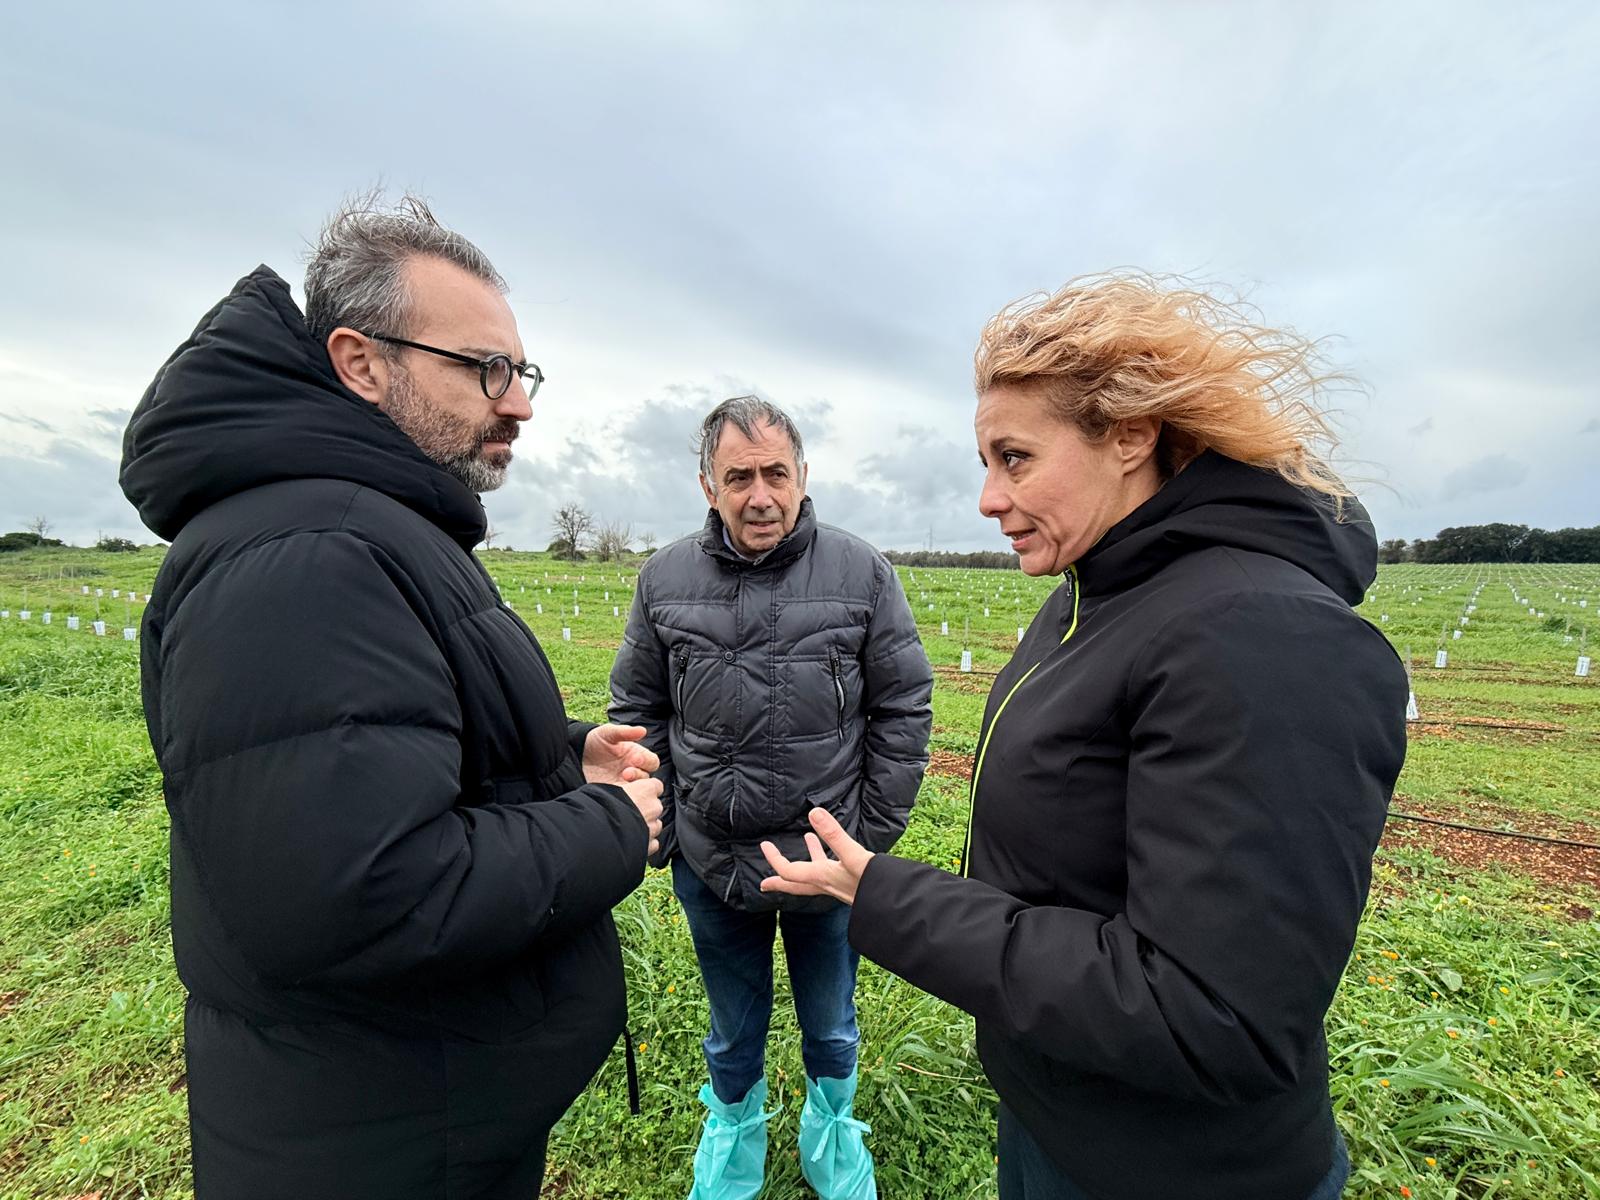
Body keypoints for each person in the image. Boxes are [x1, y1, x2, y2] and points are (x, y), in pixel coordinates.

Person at [761, 274, 1408, 1200]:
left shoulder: (1261, 635)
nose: (988, 497)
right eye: (986, 460)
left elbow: (1212, 1016)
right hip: (1062, 1119)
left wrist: (891, 900)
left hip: (1173, 1173)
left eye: (1015, 458)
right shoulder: (1094, 595)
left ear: (1132, 436)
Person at [118, 194, 664, 1200]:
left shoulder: (360, 523)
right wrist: (609, 825)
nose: (520, 403)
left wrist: (558, 759)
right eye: (484, 369)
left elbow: (387, 758)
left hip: (415, 1106)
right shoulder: (311, 555)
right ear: (361, 362)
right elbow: (362, 896)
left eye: (523, 370)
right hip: (380, 1143)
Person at [607, 396, 933, 1200]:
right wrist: (662, 829)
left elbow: (903, 705)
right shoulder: (664, 578)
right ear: (708, 486)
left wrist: (873, 832)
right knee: (732, 1025)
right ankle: (734, 1139)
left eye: (776, 474)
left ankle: (832, 1132)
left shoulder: (862, 573)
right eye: (739, 476)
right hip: (712, 863)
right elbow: (638, 710)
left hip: (826, 866)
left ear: (802, 477)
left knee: (831, 1020)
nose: (761, 495)